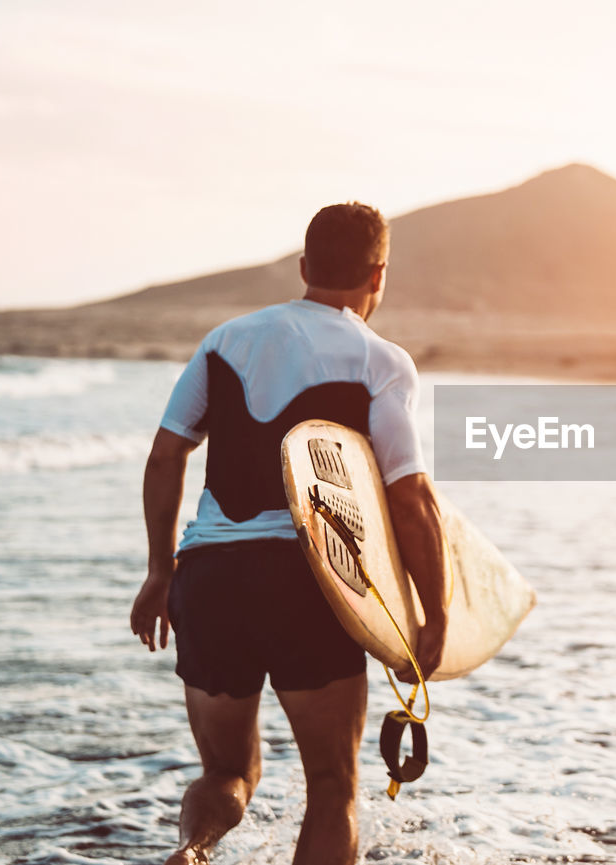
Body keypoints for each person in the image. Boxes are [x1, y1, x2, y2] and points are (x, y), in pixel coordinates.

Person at [129, 202, 449, 865]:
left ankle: (191, 848)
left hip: (211, 575)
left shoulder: (225, 340)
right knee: (332, 787)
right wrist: (435, 611)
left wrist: (161, 571)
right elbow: (410, 497)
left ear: (304, 267)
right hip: (313, 583)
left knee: (228, 773)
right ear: (378, 275)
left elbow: (166, 456)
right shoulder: (380, 360)